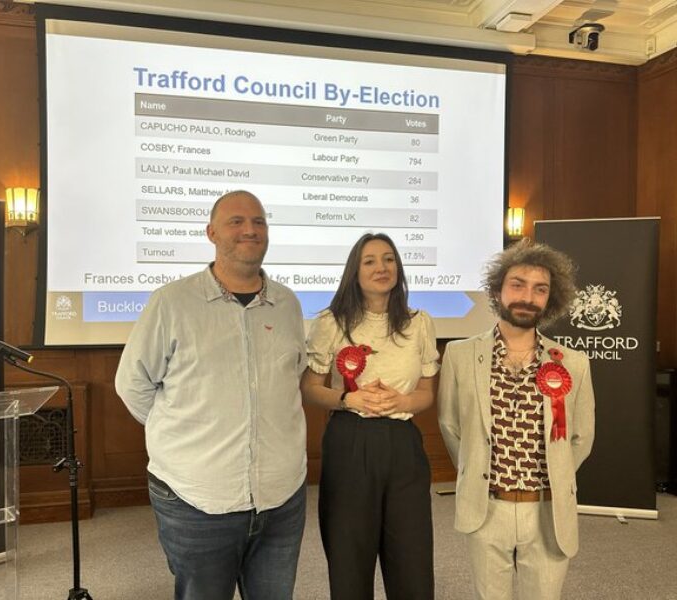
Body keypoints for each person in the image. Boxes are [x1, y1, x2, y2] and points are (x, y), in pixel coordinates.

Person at [115, 190, 307, 600]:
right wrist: (183, 434)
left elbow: (295, 376)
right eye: (236, 221)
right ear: (211, 232)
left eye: (259, 222)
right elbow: (132, 385)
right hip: (196, 500)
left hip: (280, 498)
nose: (250, 229)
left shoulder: (288, 304)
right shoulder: (171, 302)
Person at [438, 238, 595, 600]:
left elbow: (582, 437)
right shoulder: (461, 356)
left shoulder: (572, 363)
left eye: (540, 289)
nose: (528, 297)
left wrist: (555, 472)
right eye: (518, 285)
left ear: (550, 299)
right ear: (497, 290)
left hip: (547, 512)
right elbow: (450, 426)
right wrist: (476, 470)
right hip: (486, 508)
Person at [300, 232, 439, 600]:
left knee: (412, 562)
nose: (382, 267)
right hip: (350, 440)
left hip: (402, 446)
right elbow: (311, 388)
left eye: (389, 259)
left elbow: (427, 394)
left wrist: (402, 401)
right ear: (355, 271)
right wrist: (350, 398)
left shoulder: (419, 322)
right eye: (371, 261)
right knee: (350, 561)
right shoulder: (331, 322)